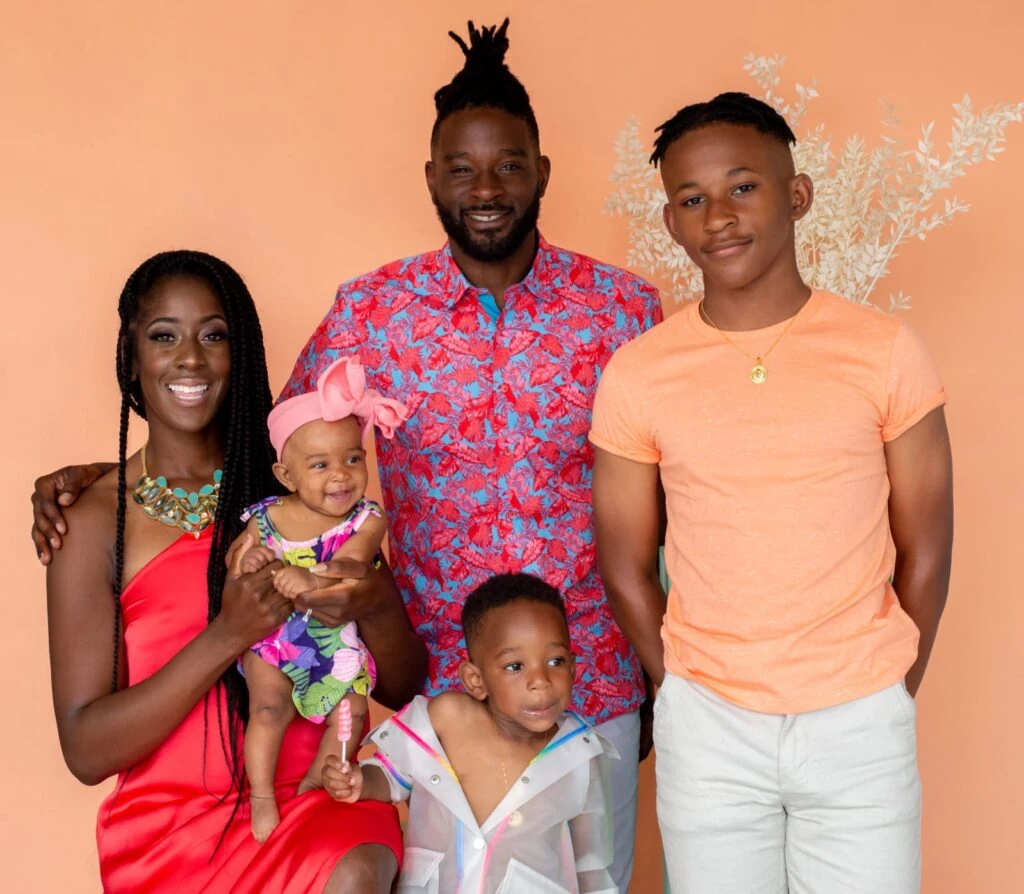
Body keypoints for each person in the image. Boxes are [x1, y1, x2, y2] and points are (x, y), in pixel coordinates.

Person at [31, 20, 662, 890]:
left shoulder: (625, 310)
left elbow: (684, 479)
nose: (485, 187)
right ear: (430, 177)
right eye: (461, 167)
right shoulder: (373, 312)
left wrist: (670, 668)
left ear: (542, 172)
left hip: (589, 675)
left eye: (509, 165)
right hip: (439, 687)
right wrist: (107, 479)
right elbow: (261, 438)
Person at [590, 93, 954, 894]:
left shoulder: (884, 351)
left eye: (742, 187)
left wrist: (887, 690)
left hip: (859, 716)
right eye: (692, 199)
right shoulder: (640, 372)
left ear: (797, 195)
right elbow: (623, 561)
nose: (718, 215)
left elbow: (926, 546)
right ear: (672, 222)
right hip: (709, 723)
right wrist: (677, 689)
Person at [44, 250, 422, 893]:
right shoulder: (92, 520)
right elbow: (86, 750)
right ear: (131, 359)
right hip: (166, 838)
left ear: (239, 354)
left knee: (357, 870)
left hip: (313, 799)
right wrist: (228, 634)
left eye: (213, 336)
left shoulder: (302, 488)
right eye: (163, 336)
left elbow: (405, 684)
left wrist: (374, 600)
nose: (189, 358)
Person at [323, 573, 618, 893]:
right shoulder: (445, 720)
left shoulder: (579, 754)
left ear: (573, 667)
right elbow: (394, 775)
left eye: (555, 661)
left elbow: (592, 865)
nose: (541, 681)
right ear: (475, 680)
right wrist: (360, 782)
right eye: (515, 666)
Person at [236, 354, 408, 842]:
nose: (341, 475)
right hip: (276, 638)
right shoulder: (265, 518)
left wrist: (310, 582)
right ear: (286, 476)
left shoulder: (366, 518)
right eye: (320, 465)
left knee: (349, 712)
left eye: (353, 459)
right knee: (268, 707)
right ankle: (262, 796)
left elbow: (352, 566)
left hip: (336, 641)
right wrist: (248, 562)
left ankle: (320, 779)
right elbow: (242, 562)